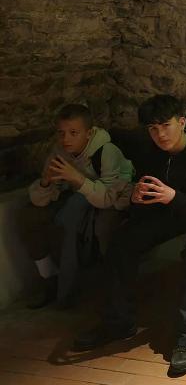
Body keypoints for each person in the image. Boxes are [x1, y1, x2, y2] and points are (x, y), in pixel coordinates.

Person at [72, 95, 186, 379]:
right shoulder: (151, 149)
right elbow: (148, 189)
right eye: (153, 129)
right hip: (169, 210)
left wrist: (173, 196)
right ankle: (118, 322)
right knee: (123, 240)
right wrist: (137, 197)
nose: (160, 134)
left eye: (166, 126)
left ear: (181, 122)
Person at [22, 104, 133, 308]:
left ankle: (111, 289)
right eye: (61, 133)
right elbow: (40, 200)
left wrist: (77, 179)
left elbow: (108, 198)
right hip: (80, 194)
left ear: (88, 134)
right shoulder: (60, 152)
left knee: (99, 227)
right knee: (31, 215)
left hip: (113, 198)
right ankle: (51, 280)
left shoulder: (107, 152)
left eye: (74, 133)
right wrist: (46, 182)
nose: (66, 139)